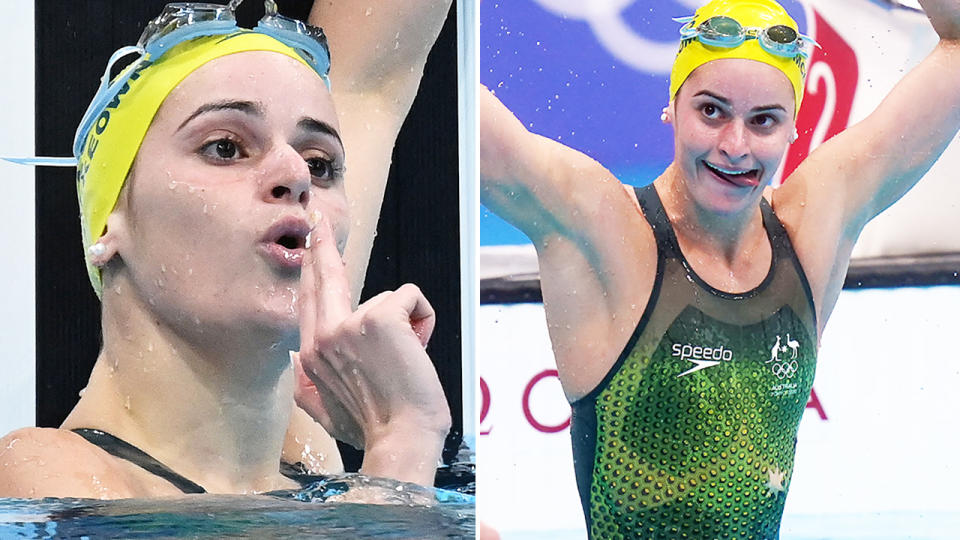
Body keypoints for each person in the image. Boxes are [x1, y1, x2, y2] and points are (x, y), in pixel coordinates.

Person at [480, 0, 960, 537]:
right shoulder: (607, 232)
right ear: (672, 106)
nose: (735, 146)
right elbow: (458, 109)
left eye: (763, 122)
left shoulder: (811, 228)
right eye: (711, 111)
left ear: (792, 129)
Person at [0, 0, 452, 498]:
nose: (297, 175)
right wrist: (403, 439)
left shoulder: (304, 449)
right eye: (226, 148)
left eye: (321, 164)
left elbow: (374, 84)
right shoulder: (47, 472)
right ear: (109, 222)